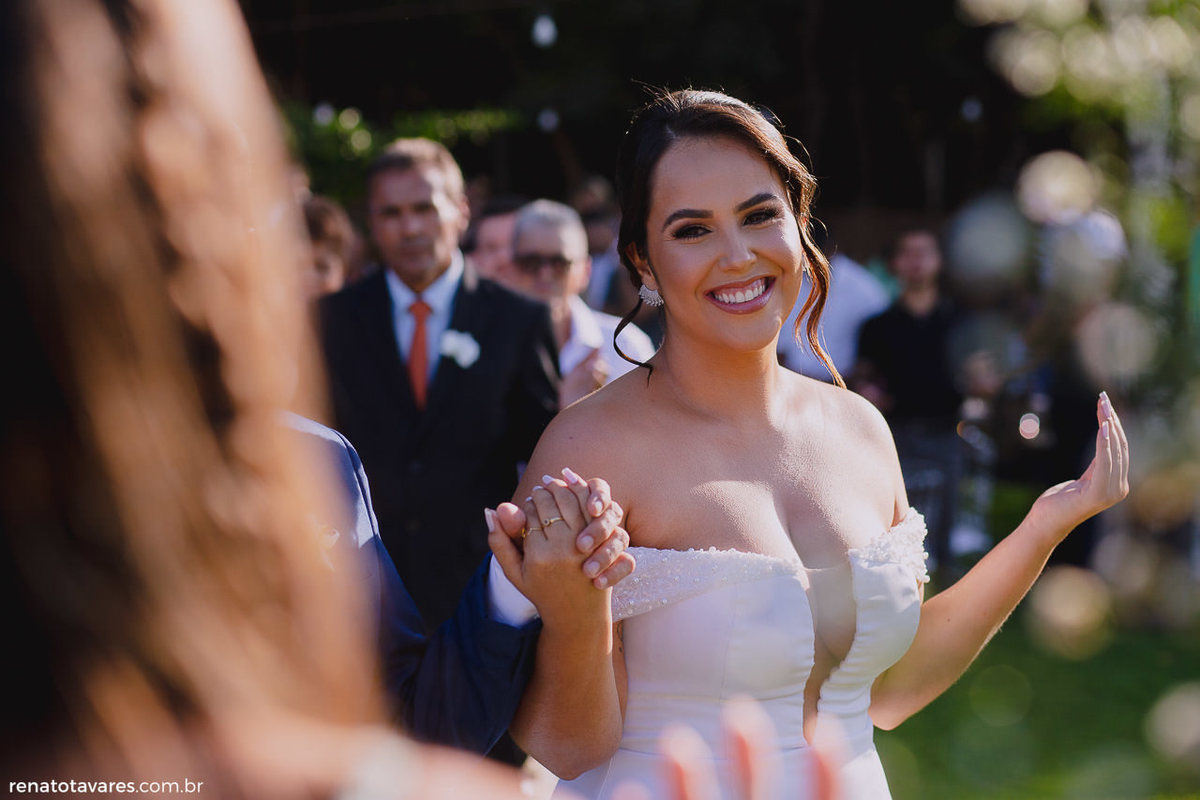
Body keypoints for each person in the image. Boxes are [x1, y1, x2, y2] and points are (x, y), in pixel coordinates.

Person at [500, 89, 1129, 799]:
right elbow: (565, 745)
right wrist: (575, 616)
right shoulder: (591, 448)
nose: (738, 256)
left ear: (799, 225)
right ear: (643, 263)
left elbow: (890, 689)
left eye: (759, 215)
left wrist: (1047, 524)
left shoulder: (859, 427)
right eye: (693, 230)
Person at [319, 139, 561, 633]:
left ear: (461, 211)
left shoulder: (518, 320)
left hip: (479, 594)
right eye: (391, 213)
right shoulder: (329, 320)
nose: (410, 228)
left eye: (424, 208)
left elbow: (542, 455)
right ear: (372, 223)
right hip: (359, 595)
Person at [504, 199, 657, 407]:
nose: (545, 274)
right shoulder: (490, 343)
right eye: (531, 262)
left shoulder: (625, 346)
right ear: (511, 268)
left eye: (560, 263)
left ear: (585, 270)